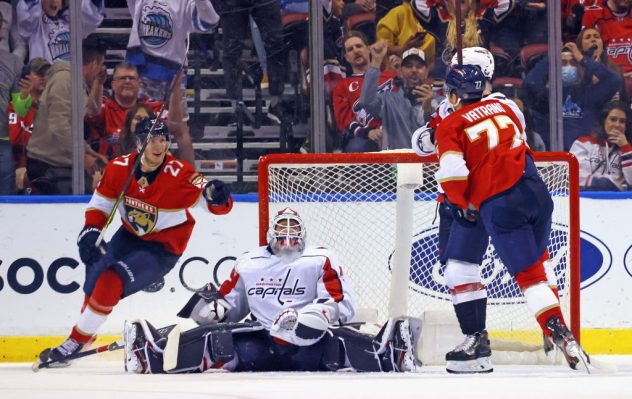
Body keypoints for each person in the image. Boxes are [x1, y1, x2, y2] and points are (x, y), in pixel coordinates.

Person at [36, 116, 234, 367]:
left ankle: (75, 340)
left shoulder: (179, 174)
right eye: (152, 140)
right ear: (140, 143)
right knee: (95, 273)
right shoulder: (119, 168)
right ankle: (87, 334)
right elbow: (101, 204)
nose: (158, 146)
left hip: (162, 247)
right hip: (129, 236)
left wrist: (218, 196)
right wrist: (90, 231)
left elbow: (213, 200)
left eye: (163, 140)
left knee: (111, 279)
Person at [123, 208, 421, 373]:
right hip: (260, 343)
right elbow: (231, 306)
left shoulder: (321, 257)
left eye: (294, 228)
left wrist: (314, 315)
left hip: (310, 343)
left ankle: (391, 351)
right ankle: (151, 353)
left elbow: (343, 304)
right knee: (219, 341)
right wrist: (214, 309)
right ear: (271, 233)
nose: (288, 235)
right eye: (283, 228)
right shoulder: (249, 262)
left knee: (335, 346)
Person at [434, 64, 590, 373]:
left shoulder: (449, 122)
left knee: (506, 274)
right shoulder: (504, 107)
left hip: (496, 201)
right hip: (536, 192)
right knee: (538, 260)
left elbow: (452, 173)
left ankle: (555, 330)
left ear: (453, 95)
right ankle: (551, 326)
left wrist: (463, 204)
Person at [125, 0, 219, 165]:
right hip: (141, 71)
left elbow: (210, 21)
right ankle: (132, 178)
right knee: (135, 128)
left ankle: (189, 181)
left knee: (179, 130)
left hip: (173, 77)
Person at [25, 36, 105, 195]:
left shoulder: (75, 81)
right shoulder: (65, 79)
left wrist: (91, 154)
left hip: (60, 161)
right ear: (95, 64)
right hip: (47, 164)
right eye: (100, 66)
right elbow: (60, 125)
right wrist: (83, 156)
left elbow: (91, 112)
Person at [523, 42, 623, 150]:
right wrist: (551, 58)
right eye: (563, 63)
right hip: (552, 157)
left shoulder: (590, 94)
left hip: (585, 158)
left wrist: (582, 59)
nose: (568, 66)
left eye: (573, 62)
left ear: (579, 67)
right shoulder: (547, 96)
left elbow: (614, 80)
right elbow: (530, 83)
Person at [358, 40, 432, 150]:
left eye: (419, 66)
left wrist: (428, 111)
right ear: (400, 72)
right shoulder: (388, 100)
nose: (414, 70)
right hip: (397, 164)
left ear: (426, 72)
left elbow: (442, 136)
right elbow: (366, 102)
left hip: (429, 165)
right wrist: (376, 61)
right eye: (408, 66)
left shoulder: (440, 102)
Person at [333, 30, 397, 152]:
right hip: (366, 137)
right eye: (350, 49)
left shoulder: (391, 76)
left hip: (396, 131)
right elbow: (345, 123)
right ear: (346, 58)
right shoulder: (342, 87)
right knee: (356, 147)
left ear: (368, 49)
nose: (356, 51)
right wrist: (368, 132)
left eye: (359, 46)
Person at [8, 57, 51, 193]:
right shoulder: (14, 107)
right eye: (39, 74)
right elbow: (14, 141)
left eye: (47, 74)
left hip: (48, 167)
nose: (44, 78)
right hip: (20, 168)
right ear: (25, 78)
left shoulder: (54, 108)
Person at [570, 101, 632, 191]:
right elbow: (577, 178)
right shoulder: (582, 144)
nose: (617, 125)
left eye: (622, 121)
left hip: (619, 202)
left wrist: (625, 147)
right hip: (587, 200)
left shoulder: (628, 150)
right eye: (613, 119)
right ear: (603, 121)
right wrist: (609, 184)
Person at [16, 0, 104, 62]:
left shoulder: (72, 23)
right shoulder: (36, 25)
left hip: (69, 81)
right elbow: (26, 13)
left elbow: (92, 15)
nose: (53, 1)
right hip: (44, 79)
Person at [0, 12, 23, 195]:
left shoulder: (13, 62)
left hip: (3, 142)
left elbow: (20, 109)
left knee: (6, 197)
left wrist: (26, 95)